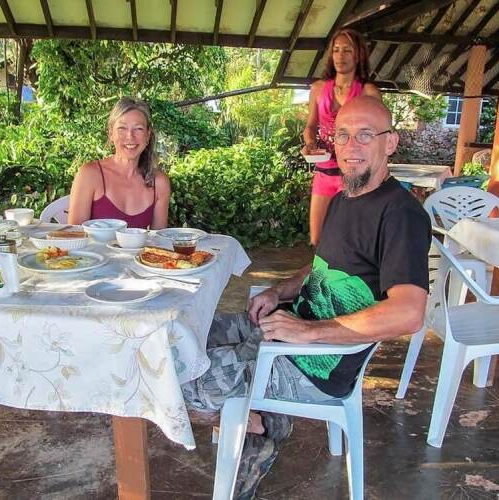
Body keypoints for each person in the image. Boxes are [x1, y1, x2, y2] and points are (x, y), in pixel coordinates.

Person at [183, 96, 431, 499]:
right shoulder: (344, 198)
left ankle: (260, 421)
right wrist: (279, 291)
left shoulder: (401, 214)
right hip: (287, 330)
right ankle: (263, 422)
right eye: (343, 135)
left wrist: (310, 332)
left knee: (177, 379)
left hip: (315, 366)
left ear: (390, 142)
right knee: (181, 338)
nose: (351, 146)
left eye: (365, 135)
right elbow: (321, 265)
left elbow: (409, 312)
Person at [302, 29, 381, 246]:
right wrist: (310, 144)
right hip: (324, 172)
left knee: (349, 240)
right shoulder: (318, 89)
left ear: (358, 55)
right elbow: (310, 126)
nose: (340, 55)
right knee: (317, 239)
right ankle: (322, 270)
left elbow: (379, 135)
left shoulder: (368, 92)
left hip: (354, 175)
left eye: (347, 50)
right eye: (336, 50)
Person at [68, 97, 170, 228]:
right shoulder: (89, 174)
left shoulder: (159, 182)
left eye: (138, 128)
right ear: (111, 134)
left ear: (148, 135)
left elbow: (158, 238)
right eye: (122, 128)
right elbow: (75, 234)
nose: (130, 136)